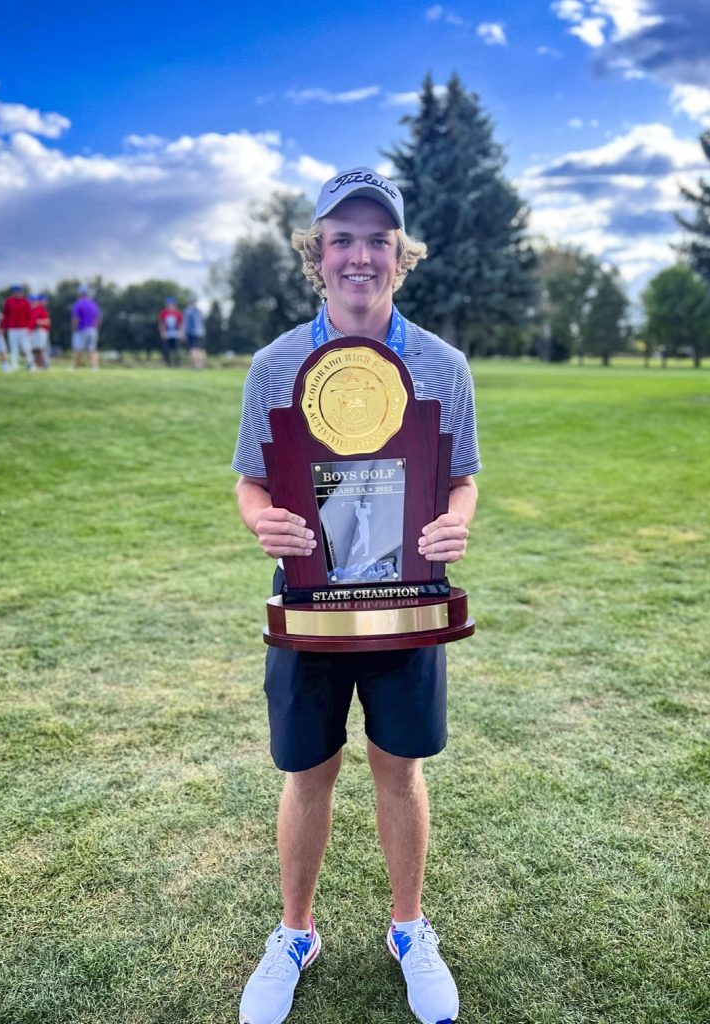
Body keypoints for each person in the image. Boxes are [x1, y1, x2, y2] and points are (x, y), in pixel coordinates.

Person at [233, 167, 480, 1024]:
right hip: (309, 603)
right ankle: (295, 933)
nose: (361, 255)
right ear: (318, 254)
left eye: (379, 239)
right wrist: (264, 522)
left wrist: (456, 523)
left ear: (401, 257)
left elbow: (464, 480)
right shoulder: (275, 365)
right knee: (306, 770)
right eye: (343, 239)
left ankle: (408, 929)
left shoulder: (443, 366)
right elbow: (252, 482)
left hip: (408, 599)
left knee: (398, 768)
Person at [1, 284, 35, 371]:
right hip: (12, 329)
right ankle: (14, 366)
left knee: (26, 348)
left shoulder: (25, 302)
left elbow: (30, 317)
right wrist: (3, 327)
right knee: (13, 348)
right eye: (15, 292)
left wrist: (30, 328)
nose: (18, 294)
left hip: (23, 329)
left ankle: (30, 365)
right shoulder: (9, 301)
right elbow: (5, 315)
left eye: (19, 292)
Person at [71, 285, 101, 370]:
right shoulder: (93, 304)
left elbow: (75, 318)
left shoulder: (78, 304)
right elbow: (98, 318)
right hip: (93, 329)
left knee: (78, 349)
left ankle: (75, 367)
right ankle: (95, 367)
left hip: (81, 329)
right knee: (92, 349)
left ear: (80, 294)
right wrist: (96, 328)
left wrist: (74, 329)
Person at [158, 297, 183, 366]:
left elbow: (181, 324)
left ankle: (177, 363)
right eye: (169, 304)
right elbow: (161, 323)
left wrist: (181, 333)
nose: (170, 305)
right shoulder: (163, 313)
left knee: (177, 350)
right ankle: (167, 362)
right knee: (166, 350)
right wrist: (162, 333)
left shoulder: (178, 313)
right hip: (167, 334)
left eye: (172, 304)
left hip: (176, 334)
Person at [183, 297, 206, 369]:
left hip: (192, 332)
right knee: (200, 349)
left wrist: (184, 332)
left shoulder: (188, 311)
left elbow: (185, 323)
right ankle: (200, 364)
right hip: (200, 332)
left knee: (193, 349)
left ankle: (195, 365)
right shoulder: (199, 311)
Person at [30, 294, 51, 370]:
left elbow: (47, 321)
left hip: (41, 332)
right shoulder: (30, 310)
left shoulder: (40, 309)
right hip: (33, 332)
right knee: (34, 350)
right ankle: (36, 365)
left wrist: (39, 322)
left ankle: (43, 365)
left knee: (40, 349)